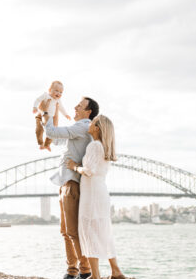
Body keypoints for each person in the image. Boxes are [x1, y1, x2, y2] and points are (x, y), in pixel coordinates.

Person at [42, 97, 99, 279]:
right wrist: (52, 115)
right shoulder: (78, 130)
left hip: (72, 185)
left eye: (80, 106)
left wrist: (45, 113)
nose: (75, 107)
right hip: (66, 183)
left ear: (88, 112)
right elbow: (56, 138)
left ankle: (85, 271)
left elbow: (51, 131)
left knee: (73, 231)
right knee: (66, 232)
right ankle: (72, 270)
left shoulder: (83, 126)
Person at [66, 115, 128, 279]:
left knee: (90, 231)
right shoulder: (103, 146)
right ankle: (116, 271)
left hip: (92, 194)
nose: (89, 123)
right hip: (100, 192)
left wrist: (74, 167)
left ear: (98, 128)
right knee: (103, 231)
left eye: (93, 122)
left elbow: (88, 170)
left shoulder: (94, 145)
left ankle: (95, 276)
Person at [33, 81, 71, 151]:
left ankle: (47, 144)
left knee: (52, 132)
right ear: (50, 90)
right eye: (56, 91)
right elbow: (37, 100)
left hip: (50, 118)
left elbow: (61, 107)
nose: (58, 93)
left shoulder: (58, 100)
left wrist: (66, 114)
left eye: (61, 92)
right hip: (40, 115)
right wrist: (35, 107)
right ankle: (41, 143)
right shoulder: (45, 95)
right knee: (39, 129)